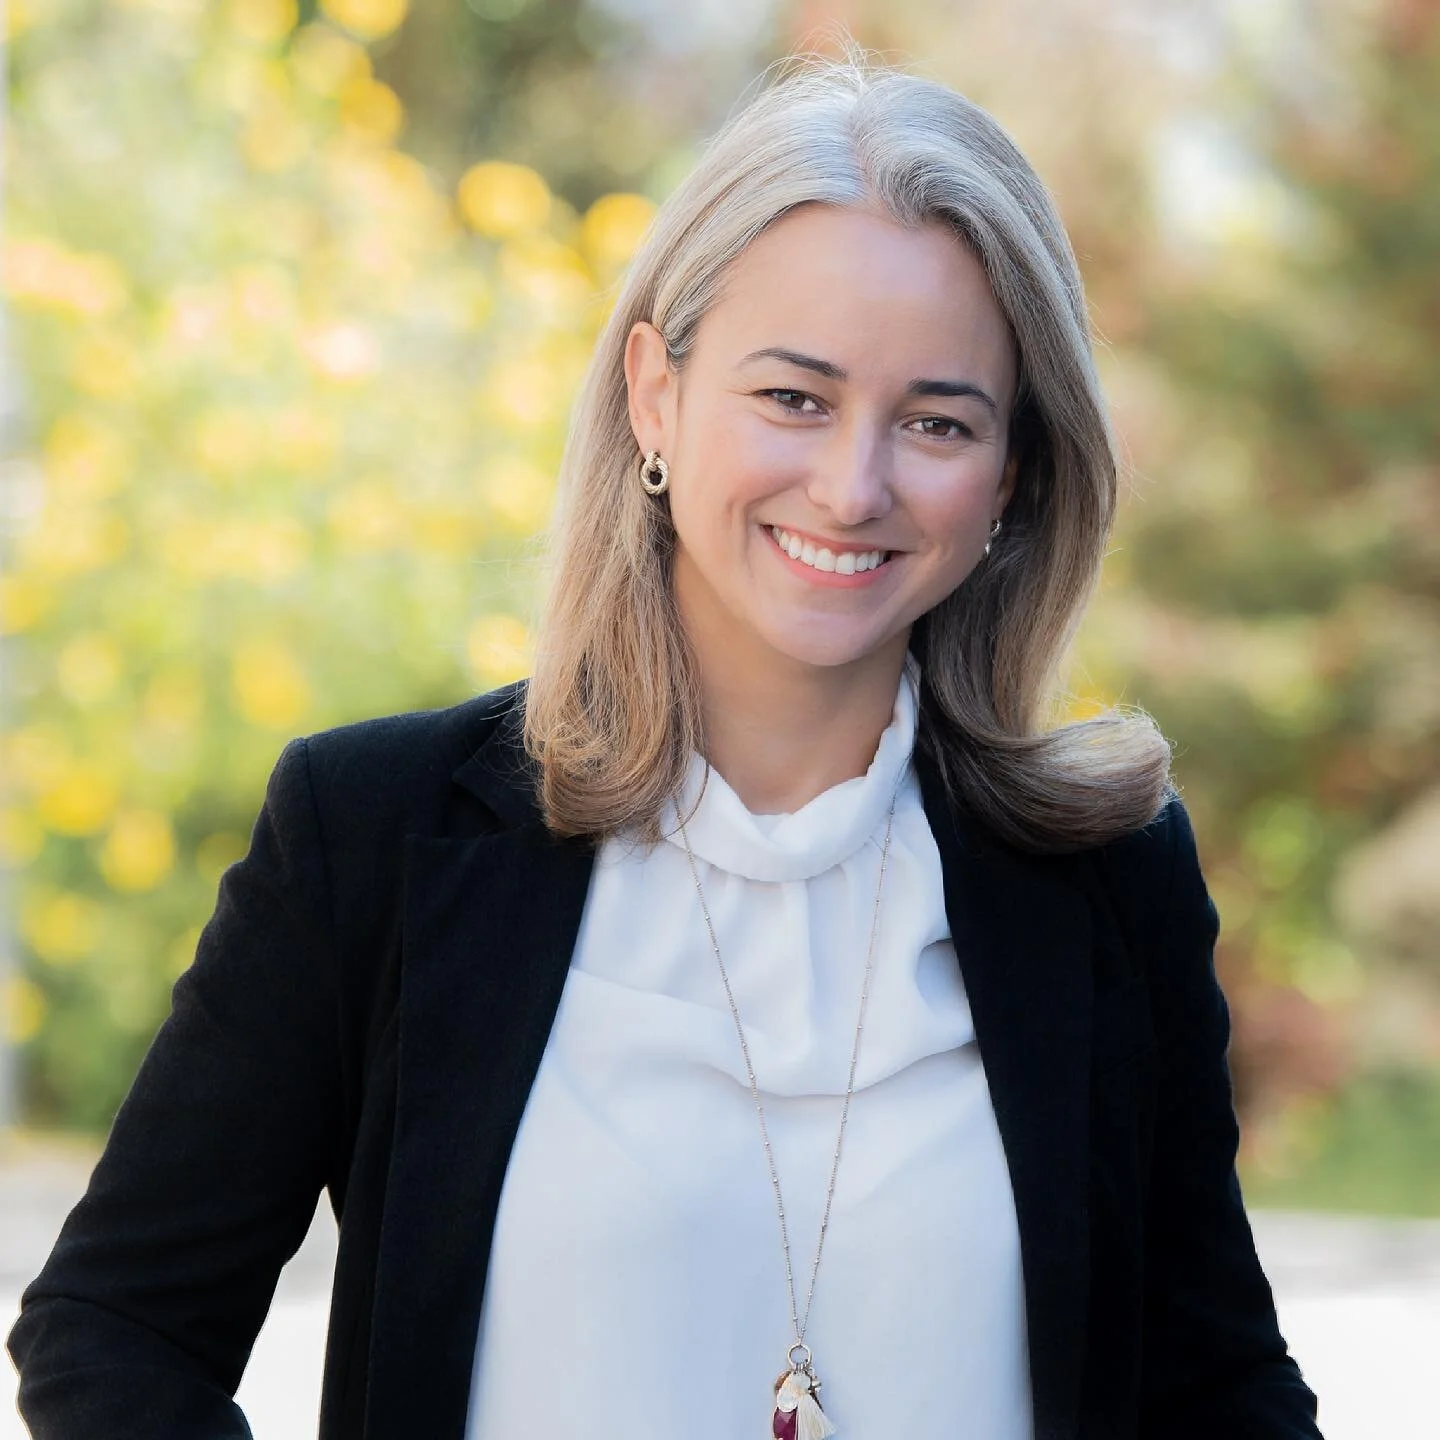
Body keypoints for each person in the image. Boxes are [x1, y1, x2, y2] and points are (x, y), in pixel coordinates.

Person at [7, 50, 1323, 1440]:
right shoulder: (376, 835)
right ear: (655, 393)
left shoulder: (1108, 880)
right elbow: (114, 1329)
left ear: (1013, 476)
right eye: (793, 397)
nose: (852, 483)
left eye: (938, 420)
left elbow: (1215, 1387)